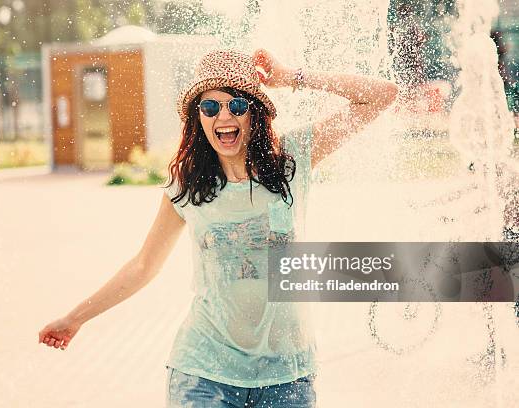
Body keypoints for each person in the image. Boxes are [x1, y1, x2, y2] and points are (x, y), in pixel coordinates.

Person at [39, 49, 398, 407]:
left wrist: (292, 78)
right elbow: (143, 266)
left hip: (288, 376)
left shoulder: (292, 159)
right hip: (204, 373)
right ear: (199, 118)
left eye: (236, 105)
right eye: (210, 107)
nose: (223, 116)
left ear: (254, 113)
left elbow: (382, 95)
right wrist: (75, 319)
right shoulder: (188, 185)